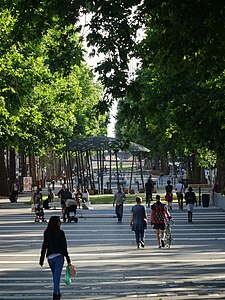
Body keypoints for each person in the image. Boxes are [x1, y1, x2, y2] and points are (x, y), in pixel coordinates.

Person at [39, 216, 72, 300]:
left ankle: (58, 292)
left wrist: (41, 259)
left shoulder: (47, 232)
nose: (60, 222)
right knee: (56, 276)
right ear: (56, 222)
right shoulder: (60, 232)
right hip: (59, 257)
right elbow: (64, 246)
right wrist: (68, 259)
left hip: (50, 257)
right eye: (59, 221)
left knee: (55, 276)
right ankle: (55, 294)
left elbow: (44, 246)